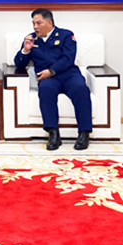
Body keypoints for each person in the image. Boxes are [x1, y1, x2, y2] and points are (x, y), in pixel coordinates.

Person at [14, 8, 92, 150]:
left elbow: (68, 58)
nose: (35, 27)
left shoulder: (66, 35)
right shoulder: (31, 39)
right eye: (33, 23)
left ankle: (84, 133)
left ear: (50, 22)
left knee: (81, 89)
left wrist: (51, 71)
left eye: (39, 23)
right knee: (45, 90)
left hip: (69, 74)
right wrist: (25, 50)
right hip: (47, 78)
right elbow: (19, 64)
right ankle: (53, 133)